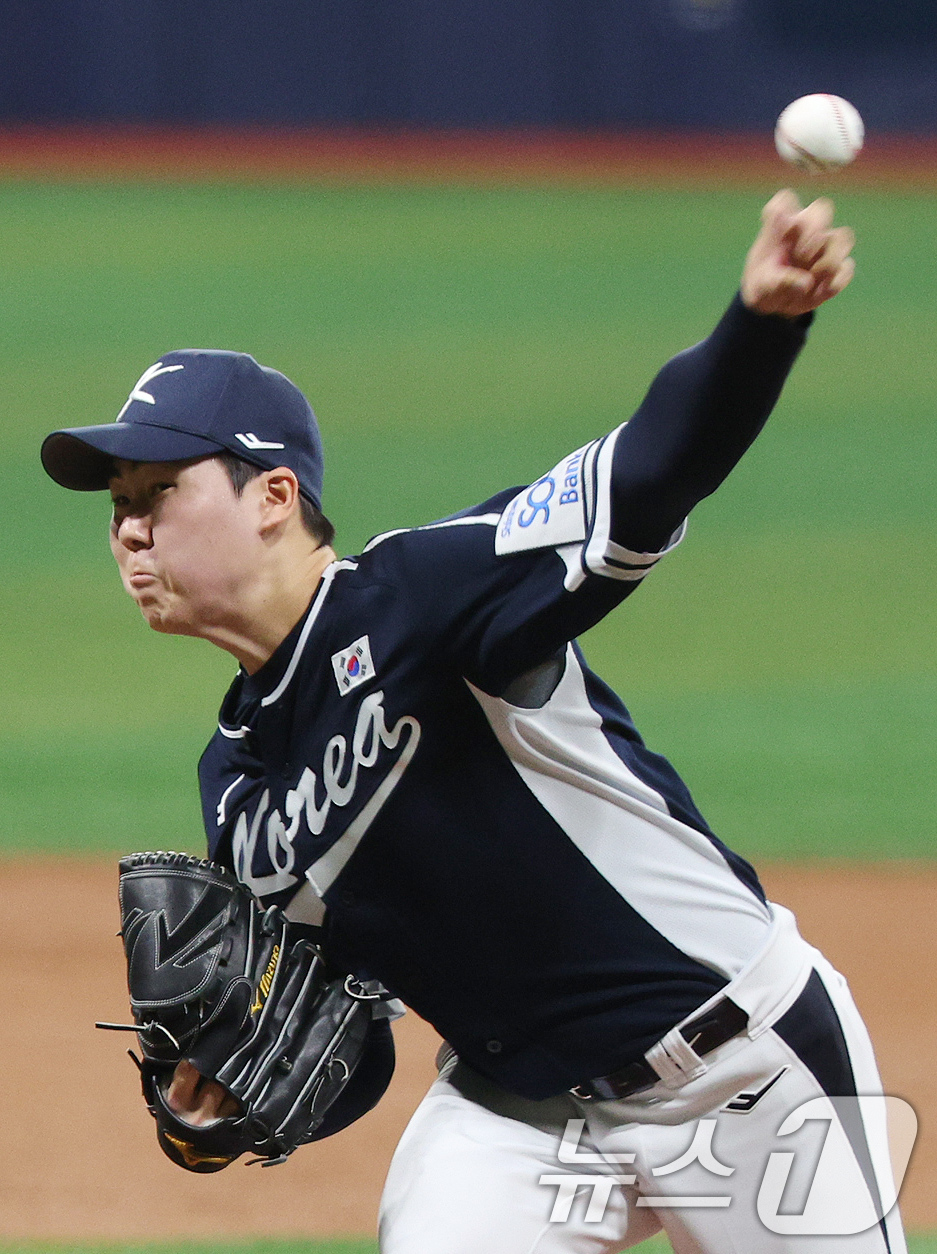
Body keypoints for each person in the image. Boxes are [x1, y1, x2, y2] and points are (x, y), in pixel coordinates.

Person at [42, 190, 906, 1254]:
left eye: (156, 491)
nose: (127, 531)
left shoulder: (425, 592)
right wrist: (215, 1096)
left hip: (738, 1068)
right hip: (524, 1121)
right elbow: (348, 1031)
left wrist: (761, 325)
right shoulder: (236, 781)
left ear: (271, 495)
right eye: (116, 506)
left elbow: (644, 476)